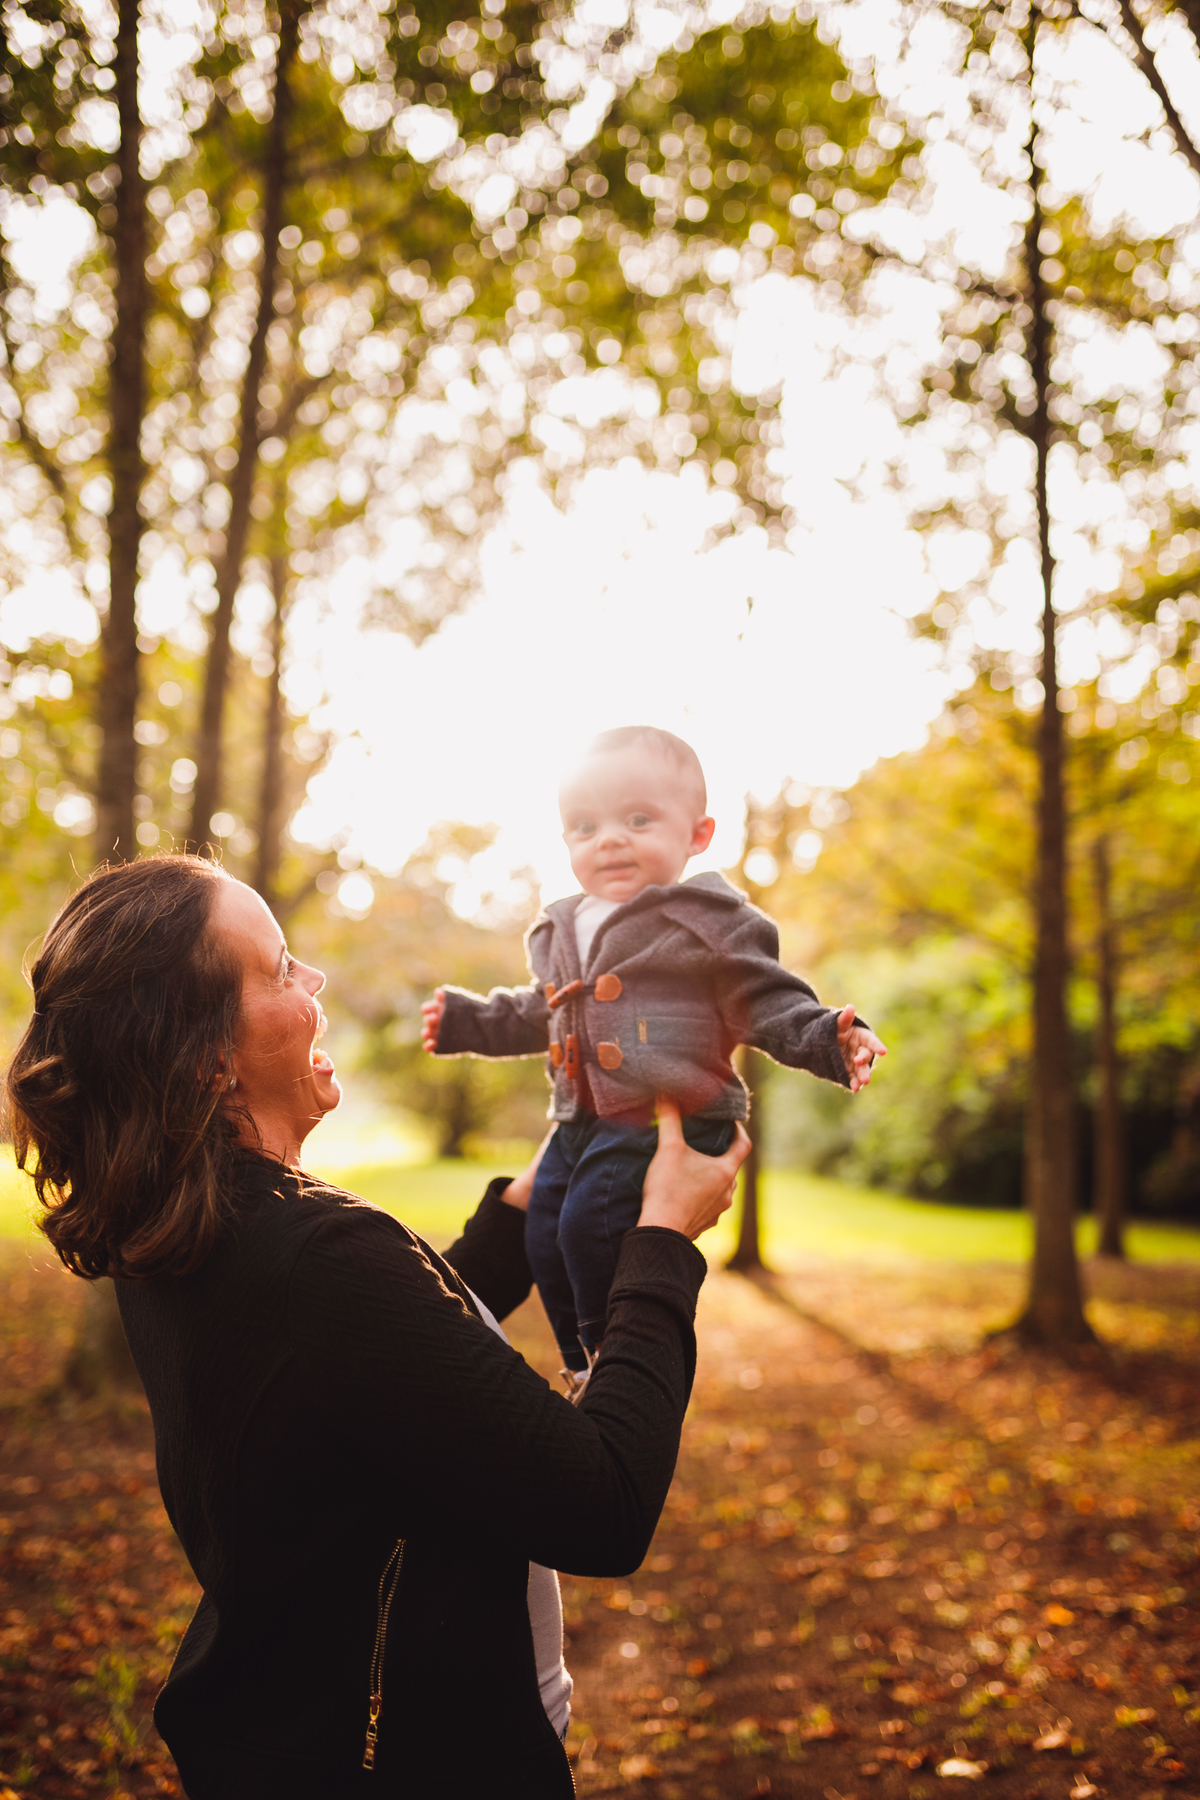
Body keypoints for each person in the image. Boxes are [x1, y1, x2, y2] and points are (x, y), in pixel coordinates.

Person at [5, 854, 749, 1799]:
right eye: (278, 970)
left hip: (279, 1735)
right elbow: (600, 1504)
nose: (312, 985)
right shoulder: (314, 1258)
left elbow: (391, 1360)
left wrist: (540, 1192)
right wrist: (663, 1245)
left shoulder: (191, 1224)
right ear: (206, 1055)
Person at [422, 725, 887, 1392]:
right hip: (580, 1119)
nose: (609, 838)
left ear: (698, 834)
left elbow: (765, 998)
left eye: (638, 819)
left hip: (667, 1113)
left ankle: (613, 1357)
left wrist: (828, 1037)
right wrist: (468, 1020)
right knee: (544, 1233)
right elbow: (542, 1009)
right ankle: (582, 1364)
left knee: (589, 1226)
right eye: (585, 826)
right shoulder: (563, 926)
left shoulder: (707, 919)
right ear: (565, 842)